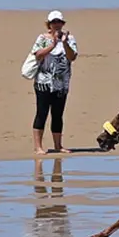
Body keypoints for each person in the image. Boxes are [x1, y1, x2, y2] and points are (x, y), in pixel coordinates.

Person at [31, 10, 78, 155]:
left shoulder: (69, 39)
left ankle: (58, 145)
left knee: (58, 114)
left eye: (59, 22)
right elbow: (38, 55)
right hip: (43, 83)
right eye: (54, 22)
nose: (56, 25)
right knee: (42, 113)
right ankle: (38, 146)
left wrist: (64, 44)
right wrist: (52, 45)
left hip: (61, 84)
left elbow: (72, 57)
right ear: (49, 25)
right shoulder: (42, 38)